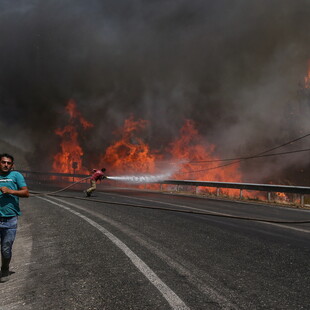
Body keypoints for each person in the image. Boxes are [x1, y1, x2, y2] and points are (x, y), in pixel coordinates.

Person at [0, 153, 29, 282]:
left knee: (6, 249)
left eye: (8, 163)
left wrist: (10, 191)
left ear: (12, 165)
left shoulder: (16, 176)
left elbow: (26, 192)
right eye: (3, 162)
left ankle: (5, 268)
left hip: (10, 219)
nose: (6, 165)